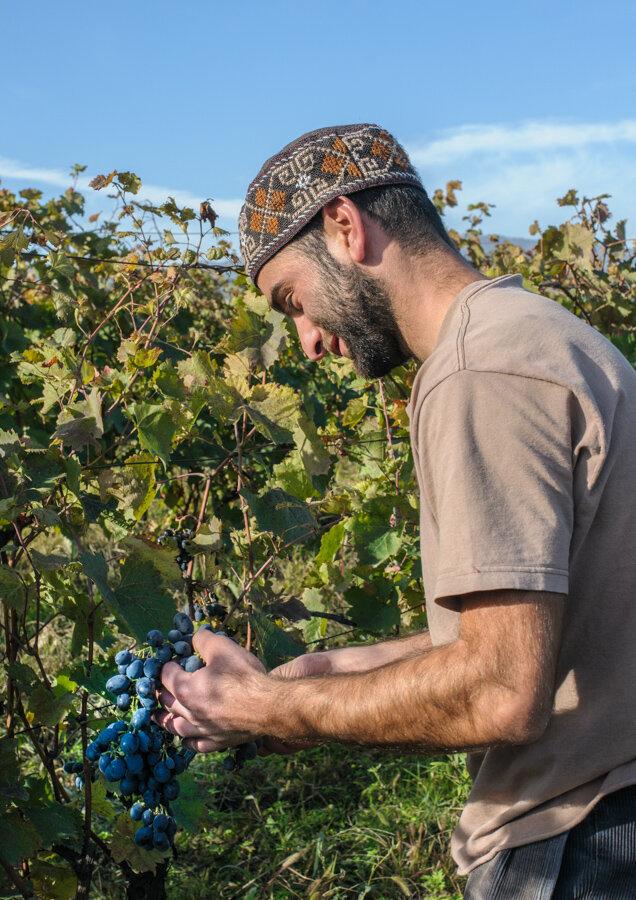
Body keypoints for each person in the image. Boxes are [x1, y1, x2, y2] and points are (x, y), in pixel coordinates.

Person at [156, 124, 636, 898]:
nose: (307, 340)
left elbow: (499, 690)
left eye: (294, 301)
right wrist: (311, 675)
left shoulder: (478, 372)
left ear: (346, 227)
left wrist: (267, 707)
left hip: (575, 844)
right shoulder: (544, 336)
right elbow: (527, 628)